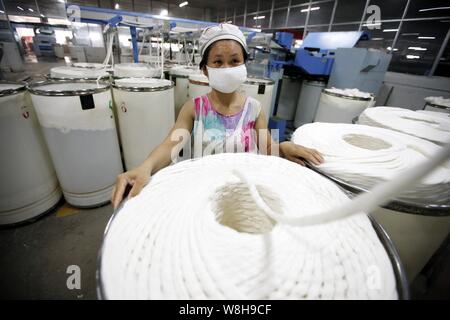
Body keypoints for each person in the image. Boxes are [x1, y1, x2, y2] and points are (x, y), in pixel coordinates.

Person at [111, 23, 323, 208]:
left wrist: (284, 147)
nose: (227, 68)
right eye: (218, 62)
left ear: (244, 65)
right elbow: (170, 145)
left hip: (242, 191)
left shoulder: (254, 109)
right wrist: (145, 167)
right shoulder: (194, 109)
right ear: (205, 70)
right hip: (204, 192)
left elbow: (268, 147)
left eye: (234, 61)